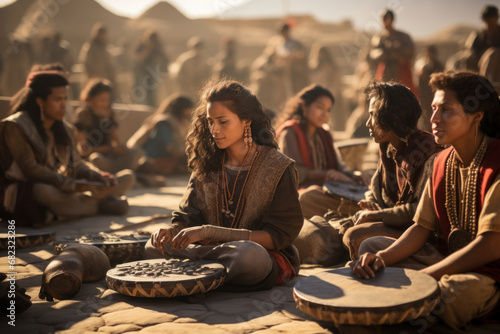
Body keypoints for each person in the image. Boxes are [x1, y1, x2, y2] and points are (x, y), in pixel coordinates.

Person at [352, 71, 500, 330]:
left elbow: (490, 246)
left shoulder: (496, 164)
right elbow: (421, 228)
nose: (433, 119)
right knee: (370, 246)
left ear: (476, 116)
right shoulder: (441, 162)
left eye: (446, 110)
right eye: (433, 108)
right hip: (444, 258)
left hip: (488, 273)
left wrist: (427, 276)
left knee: (451, 294)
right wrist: (383, 258)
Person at [144, 80, 303, 290]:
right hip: (210, 250)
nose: (214, 130)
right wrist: (173, 230)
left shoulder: (278, 167)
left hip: (259, 253)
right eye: (210, 122)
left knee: (249, 257)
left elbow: (276, 238)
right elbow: (187, 217)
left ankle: (197, 273)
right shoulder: (207, 163)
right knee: (152, 246)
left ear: (246, 121)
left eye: (222, 121)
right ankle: (211, 274)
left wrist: (209, 232)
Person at [0, 73, 130, 227]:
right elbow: (31, 169)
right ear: (40, 101)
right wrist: (71, 185)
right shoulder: (15, 126)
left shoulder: (66, 128)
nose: (64, 105)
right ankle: (98, 205)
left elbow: (77, 164)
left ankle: (97, 197)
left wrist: (99, 178)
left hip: (61, 187)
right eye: (57, 99)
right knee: (43, 192)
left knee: (127, 177)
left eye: (65, 99)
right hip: (25, 191)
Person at [342, 81, 442, 260]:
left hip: (421, 231)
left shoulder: (428, 152)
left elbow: (421, 212)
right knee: (343, 226)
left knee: (354, 236)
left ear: (391, 117)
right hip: (392, 221)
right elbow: (375, 190)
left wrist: (378, 215)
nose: (367, 123)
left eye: (373, 115)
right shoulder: (388, 147)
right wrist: (371, 207)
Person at [276, 84, 367, 219]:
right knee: (307, 197)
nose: (325, 114)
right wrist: (326, 174)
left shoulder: (325, 133)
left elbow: (339, 167)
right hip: (300, 193)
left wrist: (353, 175)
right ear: (304, 106)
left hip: (328, 189)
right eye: (320, 107)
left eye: (329, 110)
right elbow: (293, 173)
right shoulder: (290, 132)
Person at [74, 78, 141, 174]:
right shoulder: (84, 114)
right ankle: (115, 173)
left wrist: (120, 147)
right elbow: (83, 149)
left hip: (109, 156)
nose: (105, 103)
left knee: (135, 151)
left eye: (107, 100)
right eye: (101, 100)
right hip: (92, 157)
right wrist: (108, 149)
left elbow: (115, 140)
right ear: (91, 98)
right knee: (96, 159)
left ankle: (115, 172)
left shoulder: (108, 113)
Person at [127, 94, 194, 176]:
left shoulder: (177, 123)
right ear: (182, 109)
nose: (190, 112)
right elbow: (171, 147)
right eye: (188, 109)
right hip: (153, 160)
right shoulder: (164, 122)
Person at [370, 9, 417, 96]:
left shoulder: (403, 36)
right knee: (384, 95)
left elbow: (410, 51)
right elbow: (373, 53)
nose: (384, 20)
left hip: (401, 69)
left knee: (404, 96)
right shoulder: (378, 37)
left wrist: (397, 52)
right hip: (385, 70)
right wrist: (383, 53)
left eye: (386, 18)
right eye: (383, 18)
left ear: (391, 19)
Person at [133, 29, 168, 106]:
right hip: (141, 71)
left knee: (153, 93)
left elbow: (163, 59)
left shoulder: (158, 46)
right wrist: (148, 48)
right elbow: (139, 58)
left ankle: (151, 106)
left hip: (153, 72)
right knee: (140, 90)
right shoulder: (142, 45)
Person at [415, 45, 444, 132]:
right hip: (424, 95)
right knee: (426, 116)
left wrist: (426, 77)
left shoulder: (438, 65)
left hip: (434, 94)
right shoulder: (423, 64)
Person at [78, 23, 116, 89]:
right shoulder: (90, 48)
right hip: (93, 82)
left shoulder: (105, 48)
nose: (104, 36)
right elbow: (86, 64)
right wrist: (92, 79)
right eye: (103, 34)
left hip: (105, 81)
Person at [469, 5, 500, 72]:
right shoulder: (480, 34)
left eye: (490, 18)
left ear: (496, 17)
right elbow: (472, 50)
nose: (488, 21)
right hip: (481, 65)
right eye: (486, 18)